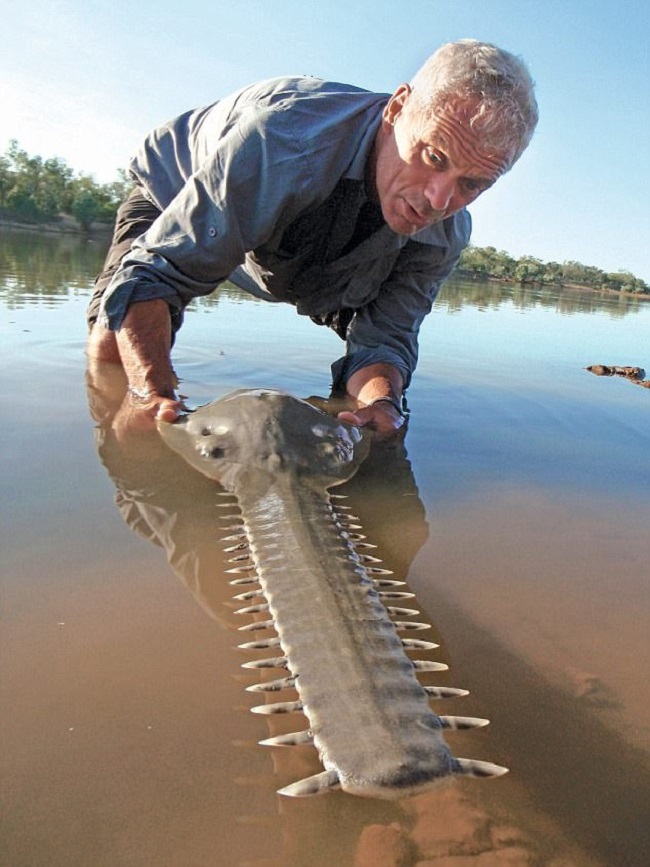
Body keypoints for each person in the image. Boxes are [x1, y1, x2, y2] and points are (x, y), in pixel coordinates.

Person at [86, 39, 537, 436]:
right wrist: (152, 399)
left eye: (472, 184)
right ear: (397, 109)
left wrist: (382, 406)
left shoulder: (445, 231)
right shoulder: (284, 141)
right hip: (180, 192)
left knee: (376, 411)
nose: (440, 200)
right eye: (434, 156)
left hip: (309, 251)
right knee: (114, 346)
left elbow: (385, 338)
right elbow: (155, 277)